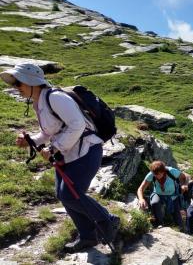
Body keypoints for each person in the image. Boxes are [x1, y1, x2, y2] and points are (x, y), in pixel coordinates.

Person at [1, 63, 119, 252]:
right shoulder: (39, 103)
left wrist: (55, 148)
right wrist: (31, 139)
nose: (16, 88)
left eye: (18, 83)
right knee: (63, 195)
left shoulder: (55, 98)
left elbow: (77, 125)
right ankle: (88, 236)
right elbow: (49, 132)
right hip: (69, 153)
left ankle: (108, 220)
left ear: (32, 82)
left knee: (69, 195)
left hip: (87, 151)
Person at [137, 160, 188, 230]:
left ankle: (180, 229)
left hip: (173, 196)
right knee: (155, 202)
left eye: (158, 174)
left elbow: (183, 177)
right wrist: (141, 199)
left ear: (163, 171)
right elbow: (140, 189)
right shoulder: (152, 174)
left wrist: (183, 185)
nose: (156, 176)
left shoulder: (171, 171)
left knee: (179, 222)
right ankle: (159, 223)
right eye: (155, 174)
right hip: (158, 194)